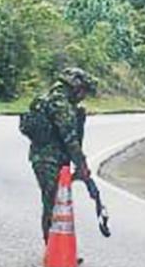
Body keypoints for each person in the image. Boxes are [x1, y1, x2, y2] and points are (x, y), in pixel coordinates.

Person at [21, 68, 95, 239]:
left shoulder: (51, 99)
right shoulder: (60, 104)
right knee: (53, 202)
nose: (83, 96)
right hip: (49, 160)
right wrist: (81, 164)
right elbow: (69, 138)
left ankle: (55, 246)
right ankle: (53, 248)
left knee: (55, 201)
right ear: (75, 87)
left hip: (47, 159)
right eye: (83, 91)